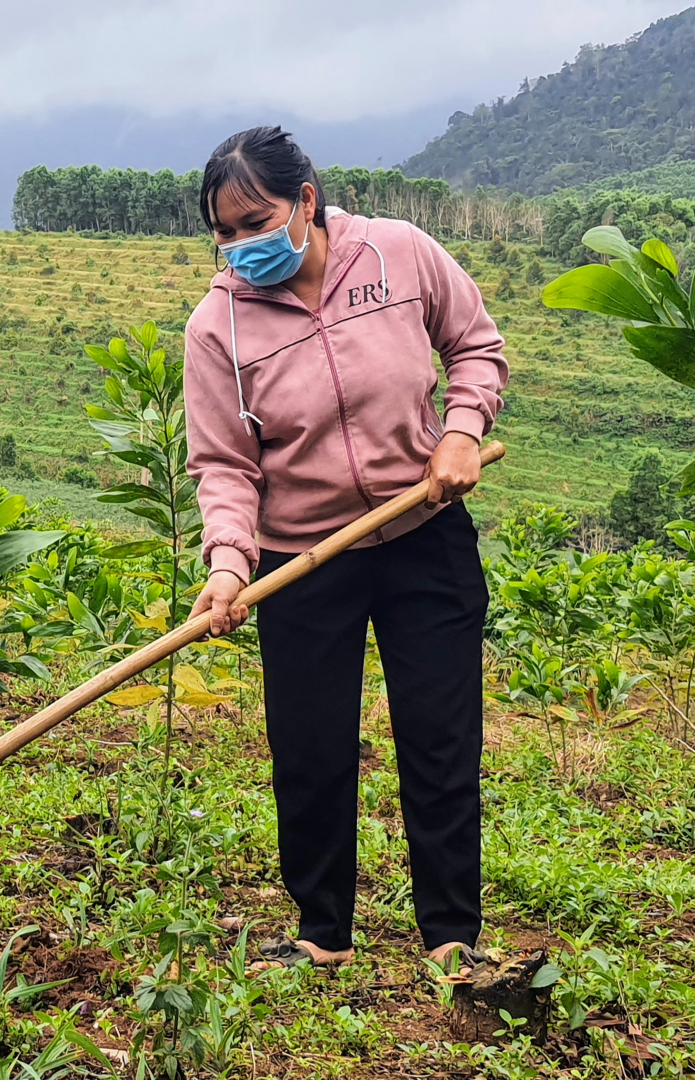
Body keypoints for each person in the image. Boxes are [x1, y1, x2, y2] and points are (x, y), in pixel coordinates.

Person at [184, 126, 507, 975]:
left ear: (307, 201)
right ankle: (321, 932)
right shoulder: (217, 326)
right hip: (301, 559)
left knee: (439, 739)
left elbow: (475, 345)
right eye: (224, 232)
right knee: (310, 749)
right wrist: (229, 565)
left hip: (423, 533)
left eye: (256, 222)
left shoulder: (399, 254)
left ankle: (451, 938)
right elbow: (223, 464)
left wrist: (461, 432)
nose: (240, 246)